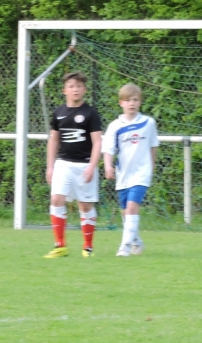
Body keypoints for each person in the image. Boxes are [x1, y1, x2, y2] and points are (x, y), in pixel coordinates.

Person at [44, 72, 104, 258]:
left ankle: (88, 247)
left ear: (84, 89)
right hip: (63, 164)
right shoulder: (58, 113)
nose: (75, 89)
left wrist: (92, 166)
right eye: (71, 86)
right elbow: (54, 140)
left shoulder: (90, 113)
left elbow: (98, 142)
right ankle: (60, 245)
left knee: (85, 206)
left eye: (79, 86)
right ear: (65, 91)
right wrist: (50, 166)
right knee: (56, 199)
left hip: (84, 165)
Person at [102, 83, 160, 257]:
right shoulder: (115, 126)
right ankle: (136, 241)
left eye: (135, 100)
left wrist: (151, 167)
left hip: (142, 173)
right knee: (125, 211)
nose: (131, 103)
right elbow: (108, 149)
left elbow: (153, 146)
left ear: (140, 102)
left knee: (132, 207)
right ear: (121, 103)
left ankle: (124, 247)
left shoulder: (148, 123)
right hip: (124, 175)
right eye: (128, 100)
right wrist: (108, 166)